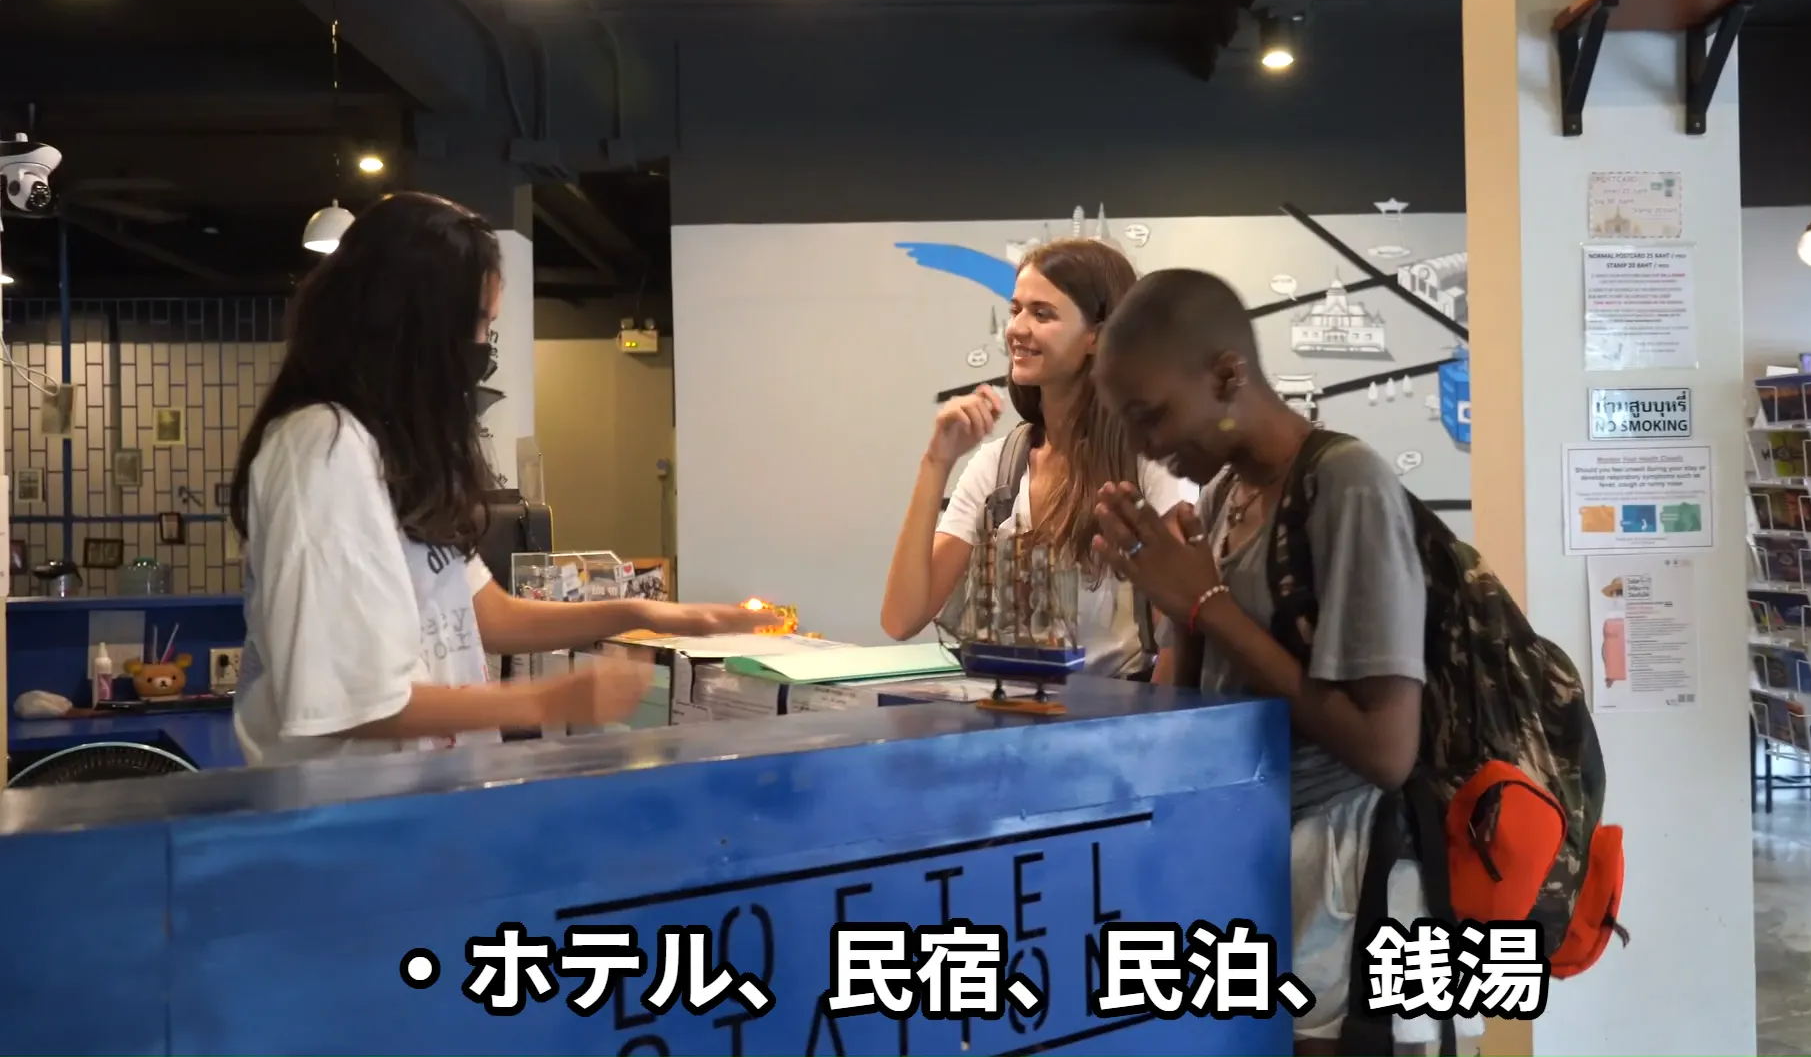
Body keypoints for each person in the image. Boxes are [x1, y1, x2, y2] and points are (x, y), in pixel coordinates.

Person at [227, 192, 773, 766]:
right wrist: (546, 700)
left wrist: (640, 614)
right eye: (480, 323)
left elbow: (487, 614)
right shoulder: (322, 448)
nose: (484, 347)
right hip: (349, 812)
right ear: (416, 324)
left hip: (428, 802)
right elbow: (356, 703)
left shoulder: (393, 449)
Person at [1084, 268, 1482, 1054]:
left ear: (1228, 375)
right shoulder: (1224, 497)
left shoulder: (1346, 483)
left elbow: (1386, 750)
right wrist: (1180, 609)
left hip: (1353, 887)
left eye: (1152, 416)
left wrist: (1209, 606)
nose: (1147, 446)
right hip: (1267, 866)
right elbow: (1213, 703)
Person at [879, 238, 1192, 680]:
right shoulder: (998, 466)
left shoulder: (1149, 465)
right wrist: (936, 462)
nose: (1017, 329)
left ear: (1097, 336)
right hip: (1007, 709)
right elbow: (901, 618)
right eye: (1016, 310)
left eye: (1042, 314)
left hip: (1117, 712)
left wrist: (1148, 720)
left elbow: (1177, 637)